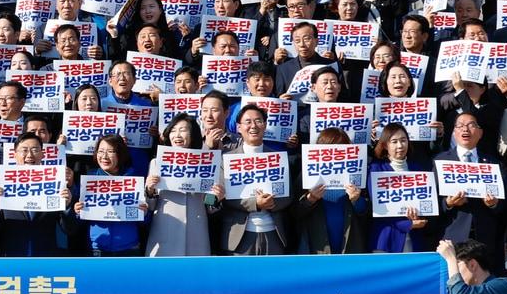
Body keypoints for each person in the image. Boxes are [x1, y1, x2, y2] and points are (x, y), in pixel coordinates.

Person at [217, 104, 292, 255]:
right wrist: (255, 204)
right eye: (248, 122)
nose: (253, 126)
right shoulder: (227, 159)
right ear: (238, 127)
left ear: (265, 125)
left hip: (274, 233)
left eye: (258, 121)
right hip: (238, 236)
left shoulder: (278, 158)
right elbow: (224, 197)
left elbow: (289, 196)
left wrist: (271, 203)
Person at [145, 114, 223, 256]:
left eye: (183, 130)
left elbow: (209, 206)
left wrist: (215, 197)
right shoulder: (156, 163)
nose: (177, 135)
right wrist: (149, 191)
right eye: (174, 130)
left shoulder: (206, 162)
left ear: (192, 135)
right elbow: (150, 206)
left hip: (196, 231)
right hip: (165, 229)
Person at [0, 132, 73, 256]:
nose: (30, 155)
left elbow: (69, 229)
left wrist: (67, 206)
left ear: (43, 154)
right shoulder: (3, 184)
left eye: (35, 150)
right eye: (24, 150)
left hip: (45, 257)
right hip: (12, 258)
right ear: (14, 155)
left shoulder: (55, 183)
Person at [436, 111, 506, 260]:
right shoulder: (440, 161)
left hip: (484, 238)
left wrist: (494, 204)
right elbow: (433, 202)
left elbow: (504, 206)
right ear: (454, 133)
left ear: (480, 132)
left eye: (471, 125)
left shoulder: (493, 163)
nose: (465, 129)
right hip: (453, 235)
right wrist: (448, 203)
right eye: (460, 126)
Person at [294, 128, 368, 254]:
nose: (336, 152)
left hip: (350, 246)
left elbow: (367, 212)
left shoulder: (357, 173)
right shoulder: (308, 174)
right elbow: (294, 213)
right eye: (331, 147)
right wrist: (310, 200)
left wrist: (357, 200)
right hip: (317, 247)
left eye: (341, 147)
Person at [366, 122, 433, 253]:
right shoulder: (375, 169)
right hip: (385, 239)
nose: (400, 145)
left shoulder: (418, 169)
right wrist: (407, 224)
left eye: (403, 140)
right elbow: (378, 207)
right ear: (385, 145)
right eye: (394, 141)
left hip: (414, 239)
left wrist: (418, 218)